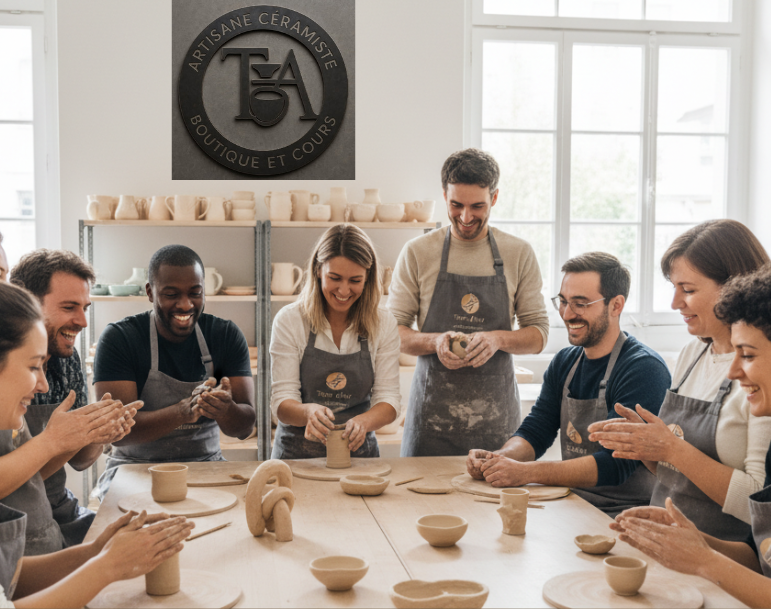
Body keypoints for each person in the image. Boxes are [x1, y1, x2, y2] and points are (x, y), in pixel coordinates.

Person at [0, 280, 194, 608]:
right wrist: (109, 566)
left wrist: (96, 552)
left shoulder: (66, 363)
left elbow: (10, 580)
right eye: (33, 366)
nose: (43, 383)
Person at [589, 220, 771, 541]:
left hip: (727, 559)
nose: (675, 303)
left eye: (687, 290)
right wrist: (646, 447)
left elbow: (757, 501)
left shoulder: (761, 376)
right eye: (674, 288)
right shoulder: (692, 354)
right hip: (665, 540)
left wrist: (673, 449)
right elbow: (676, 475)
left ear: (734, 286)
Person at [610, 263, 771, 608]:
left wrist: (703, 560)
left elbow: (751, 500)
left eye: (748, 355)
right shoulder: (691, 355)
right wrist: (693, 542)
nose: (732, 369)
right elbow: (762, 560)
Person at [467, 253, 672, 516]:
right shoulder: (565, 361)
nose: (567, 313)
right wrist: (500, 458)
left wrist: (524, 473)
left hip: (627, 513)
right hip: (574, 503)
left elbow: (615, 464)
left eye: (580, 304)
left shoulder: (644, 369)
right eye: (563, 301)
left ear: (616, 305)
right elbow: (537, 431)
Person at [388, 148, 549, 457]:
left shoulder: (519, 253)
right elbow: (393, 333)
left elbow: (539, 335)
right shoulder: (418, 252)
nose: (465, 217)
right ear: (444, 195)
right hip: (431, 424)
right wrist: (436, 341)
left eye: (477, 206)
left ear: (495, 197)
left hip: (496, 425)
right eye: (456, 205)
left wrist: (497, 339)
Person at [93, 245, 255, 494]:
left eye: (195, 293)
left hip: (204, 466)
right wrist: (181, 412)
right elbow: (118, 432)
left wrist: (226, 410)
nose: (185, 304)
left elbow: (244, 429)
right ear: (150, 292)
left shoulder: (225, 335)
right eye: (171, 294)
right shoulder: (120, 338)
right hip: (133, 469)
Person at [10, 250, 138, 548]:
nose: (82, 321)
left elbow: (80, 461)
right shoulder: (7, 364)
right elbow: (18, 487)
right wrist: (56, 440)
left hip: (58, 507)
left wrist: (97, 434)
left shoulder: (67, 358)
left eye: (85, 308)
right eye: (69, 307)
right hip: (17, 516)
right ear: (27, 301)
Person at [270, 224, 400, 459]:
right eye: (335, 278)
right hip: (296, 456)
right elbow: (282, 402)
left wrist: (363, 422)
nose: (344, 290)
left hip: (358, 456)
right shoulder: (290, 320)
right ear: (318, 270)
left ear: (368, 278)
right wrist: (308, 412)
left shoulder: (383, 323)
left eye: (355, 280)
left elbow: (389, 400)